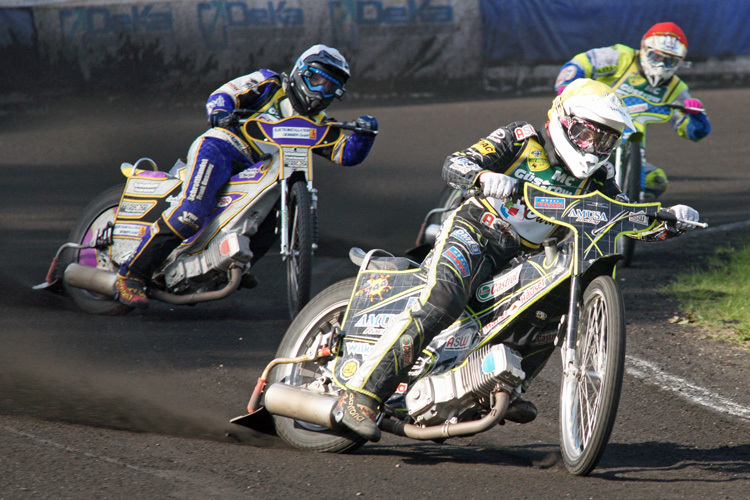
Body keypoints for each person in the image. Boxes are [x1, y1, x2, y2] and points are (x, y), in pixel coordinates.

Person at [334, 79, 700, 442]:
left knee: (550, 303)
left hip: (526, 255)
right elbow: (456, 162)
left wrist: (668, 221)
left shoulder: (600, 177)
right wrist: (483, 176)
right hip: (476, 232)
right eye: (588, 135)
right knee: (442, 301)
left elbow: (624, 214)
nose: (594, 147)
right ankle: (361, 395)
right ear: (563, 120)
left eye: (605, 140)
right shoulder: (521, 138)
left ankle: (505, 386)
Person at [113, 44, 379, 308]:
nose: (321, 90)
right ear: (300, 71)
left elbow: (344, 154)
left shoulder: (318, 122)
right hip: (222, 147)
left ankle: (238, 261)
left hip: (258, 169)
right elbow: (224, 93)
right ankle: (131, 273)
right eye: (316, 78)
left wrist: (365, 136)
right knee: (192, 212)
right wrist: (220, 113)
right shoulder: (268, 82)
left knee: (277, 209)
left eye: (330, 86)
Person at [554, 22, 711, 201]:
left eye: (669, 61)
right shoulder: (622, 57)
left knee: (656, 180)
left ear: (680, 63)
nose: (660, 66)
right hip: (589, 132)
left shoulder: (675, 88)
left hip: (628, 142)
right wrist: (567, 87)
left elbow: (692, 132)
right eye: (656, 57)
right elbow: (581, 63)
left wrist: (697, 116)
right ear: (644, 48)